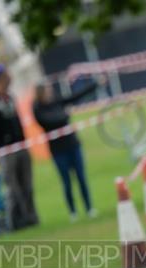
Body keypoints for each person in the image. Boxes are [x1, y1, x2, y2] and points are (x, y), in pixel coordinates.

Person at [33, 79, 100, 221]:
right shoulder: (37, 108)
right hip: (58, 151)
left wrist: (95, 84)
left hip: (73, 145)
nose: (50, 91)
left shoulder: (56, 100)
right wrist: (66, 115)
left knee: (81, 177)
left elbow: (75, 97)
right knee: (66, 182)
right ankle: (73, 212)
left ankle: (89, 208)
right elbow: (50, 121)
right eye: (47, 89)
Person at [0, 64, 39, 231]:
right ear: (0, 79)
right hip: (5, 151)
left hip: (20, 145)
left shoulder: (10, 97)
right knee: (12, 188)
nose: (10, 79)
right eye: (7, 76)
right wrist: (0, 143)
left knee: (27, 184)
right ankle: (14, 222)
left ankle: (31, 217)